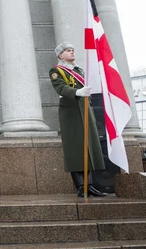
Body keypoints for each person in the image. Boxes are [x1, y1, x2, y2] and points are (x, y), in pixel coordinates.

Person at [49, 42, 107, 198]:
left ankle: (90, 185)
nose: (72, 52)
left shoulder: (80, 70)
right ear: (61, 55)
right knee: (75, 149)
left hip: (85, 109)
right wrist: (77, 92)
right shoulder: (56, 71)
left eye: (73, 50)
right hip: (71, 112)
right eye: (68, 51)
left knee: (89, 147)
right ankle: (80, 186)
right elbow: (60, 88)